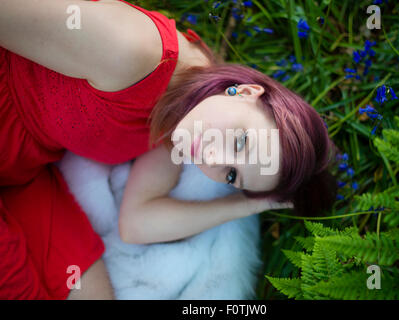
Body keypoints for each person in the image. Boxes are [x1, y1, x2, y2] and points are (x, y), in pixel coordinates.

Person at [0, 0, 337, 300]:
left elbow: (136, 223)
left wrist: (246, 204)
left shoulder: (188, 114)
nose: (213, 159)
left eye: (231, 174)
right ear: (249, 92)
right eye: (240, 141)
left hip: (24, 170)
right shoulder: (135, 50)